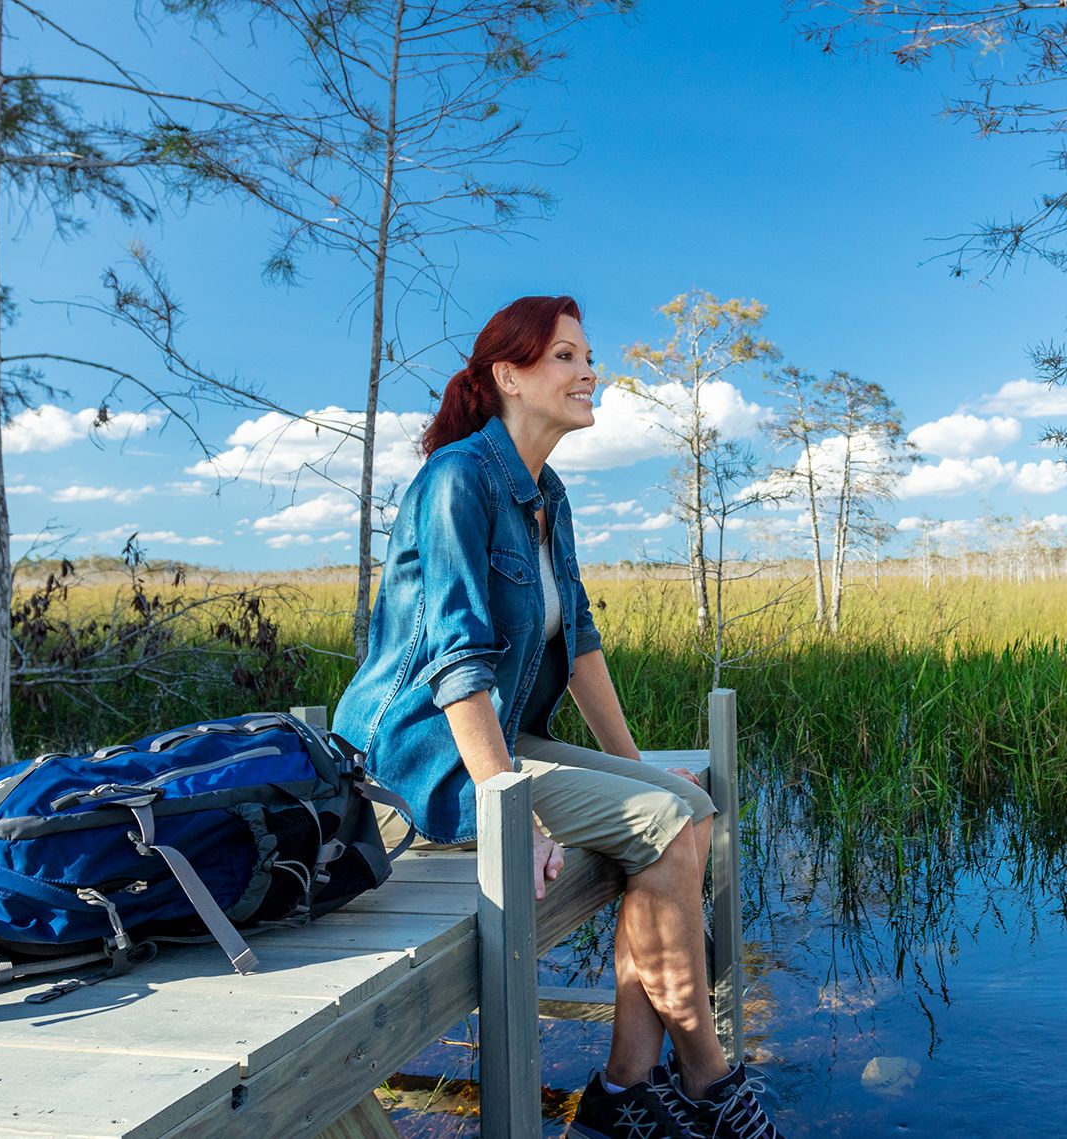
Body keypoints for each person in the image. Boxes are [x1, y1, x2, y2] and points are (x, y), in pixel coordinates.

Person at [332, 295, 783, 1139]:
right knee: (662, 823)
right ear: (510, 374)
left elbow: (579, 648)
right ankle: (707, 1081)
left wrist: (639, 762)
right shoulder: (458, 479)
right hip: (420, 757)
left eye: (586, 356)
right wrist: (514, 807)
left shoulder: (548, 494)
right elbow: (454, 663)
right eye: (567, 357)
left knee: (687, 808)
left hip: (495, 731)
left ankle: (626, 1088)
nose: (589, 372)